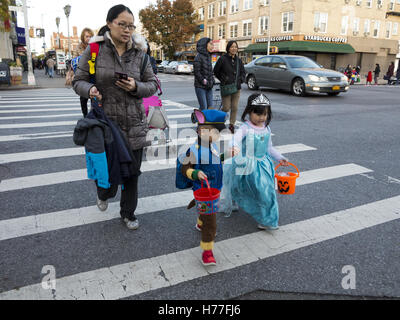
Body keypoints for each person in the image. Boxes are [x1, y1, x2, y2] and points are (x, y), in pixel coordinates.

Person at [73, 4, 157, 230]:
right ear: (110, 23)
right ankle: (104, 192)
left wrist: (135, 86)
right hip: (106, 123)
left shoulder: (140, 54)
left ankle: (128, 213)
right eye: (122, 24)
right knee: (108, 171)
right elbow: (78, 80)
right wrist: (89, 90)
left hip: (134, 124)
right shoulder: (94, 51)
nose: (127, 30)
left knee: (132, 174)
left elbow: (152, 85)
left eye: (131, 26)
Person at [220, 93, 289, 230]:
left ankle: (267, 219)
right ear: (249, 112)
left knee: (265, 191)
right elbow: (235, 139)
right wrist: (233, 147)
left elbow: (269, 148)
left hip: (263, 166)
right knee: (238, 185)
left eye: (265, 114)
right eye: (257, 114)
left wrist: (280, 157)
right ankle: (235, 199)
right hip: (246, 164)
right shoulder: (245, 127)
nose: (261, 118)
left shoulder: (267, 129)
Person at [179, 109, 238, 266]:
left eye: (214, 132)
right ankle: (207, 251)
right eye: (205, 130)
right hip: (203, 191)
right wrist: (195, 172)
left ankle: (200, 222)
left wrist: (228, 155)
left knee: (206, 212)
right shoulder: (193, 150)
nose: (210, 134)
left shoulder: (213, 147)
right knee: (211, 223)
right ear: (199, 131)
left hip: (214, 189)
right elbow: (184, 169)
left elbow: (217, 161)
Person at [213, 40, 246, 134]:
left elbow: (243, 72)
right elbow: (216, 71)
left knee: (235, 107)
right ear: (228, 48)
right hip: (226, 87)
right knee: (226, 108)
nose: (234, 48)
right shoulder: (223, 59)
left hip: (236, 87)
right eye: (232, 47)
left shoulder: (239, 60)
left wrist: (241, 80)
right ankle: (219, 121)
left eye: (235, 47)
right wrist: (223, 79)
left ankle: (231, 125)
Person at [67, 28, 94, 117]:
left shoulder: (95, 46)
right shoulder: (79, 47)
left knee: (94, 97)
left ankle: (93, 115)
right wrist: (70, 75)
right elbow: (74, 61)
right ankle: (85, 115)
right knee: (83, 98)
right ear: (83, 37)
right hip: (83, 75)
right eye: (87, 36)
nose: (89, 38)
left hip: (93, 75)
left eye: (90, 36)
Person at [193, 37, 214, 110]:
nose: (212, 46)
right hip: (200, 87)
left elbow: (210, 72)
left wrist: (212, 81)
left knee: (210, 107)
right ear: (205, 45)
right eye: (211, 44)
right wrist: (204, 81)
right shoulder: (198, 57)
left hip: (209, 87)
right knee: (203, 107)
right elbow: (197, 72)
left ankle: (202, 119)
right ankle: (197, 118)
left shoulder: (208, 57)